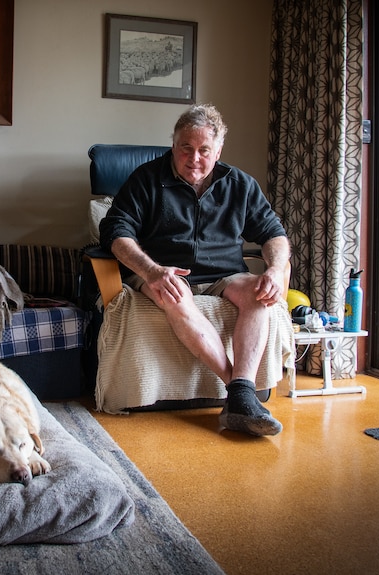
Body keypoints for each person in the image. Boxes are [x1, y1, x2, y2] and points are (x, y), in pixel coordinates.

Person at [99, 103, 290, 437]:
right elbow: (115, 232)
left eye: (204, 150)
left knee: (259, 293)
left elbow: (274, 234)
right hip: (163, 270)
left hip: (224, 274)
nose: (194, 158)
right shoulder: (146, 179)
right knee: (173, 292)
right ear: (173, 146)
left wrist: (274, 269)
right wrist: (152, 270)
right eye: (185, 148)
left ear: (218, 151)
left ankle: (238, 395)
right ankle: (242, 393)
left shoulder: (240, 185)